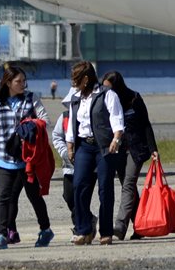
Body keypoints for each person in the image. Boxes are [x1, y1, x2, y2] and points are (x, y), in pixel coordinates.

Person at [0, 66, 52, 249]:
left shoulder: (31, 99)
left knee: (34, 195)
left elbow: (46, 120)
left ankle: (45, 230)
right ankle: (1, 235)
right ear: (8, 82)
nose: (22, 84)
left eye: (23, 81)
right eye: (18, 81)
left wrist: (32, 125)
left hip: (27, 159)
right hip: (3, 157)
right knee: (3, 197)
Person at [65, 61, 125, 245]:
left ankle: (105, 231)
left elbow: (117, 118)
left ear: (85, 79)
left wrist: (116, 139)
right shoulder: (75, 97)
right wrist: (70, 145)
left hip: (104, 147)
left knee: (105, 189)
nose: (73, 82)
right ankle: (84, 230)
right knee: (79, 186)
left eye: (76, 79)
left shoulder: (107, 95)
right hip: (84, 146)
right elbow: (72, 121)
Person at [103, 70, 159, 240]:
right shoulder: (106, 102)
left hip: (136, 149)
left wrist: (153, 149)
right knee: (130, 189)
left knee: (128, 184)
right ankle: (140, 227)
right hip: (118, 149)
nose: (106, 93)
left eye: (109, 89)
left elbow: (146, 124)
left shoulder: (134, 99)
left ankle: (120, 225)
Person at [50, 96, 75, 215]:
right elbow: (57, 136)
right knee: (68, 196)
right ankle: (86, 220)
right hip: (69, 166)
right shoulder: (65, 116)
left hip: (88, 164)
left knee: (82, 197)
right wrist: (64, 152)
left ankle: (80, 227)